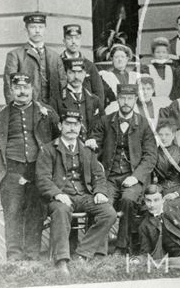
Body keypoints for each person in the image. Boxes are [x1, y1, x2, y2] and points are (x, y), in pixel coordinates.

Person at [0, 73, 60, 261]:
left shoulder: (46, 112)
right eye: (17, 88)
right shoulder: (0, 115)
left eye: (26, 88)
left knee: (35, 213)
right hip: (11, 170)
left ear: (32, 89)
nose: (22, 92)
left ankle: (32, 255)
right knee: (13, 213)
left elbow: (58, 136)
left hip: (37, 170)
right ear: (11, 90)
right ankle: (14, 257)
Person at [36, 110, 116, 274]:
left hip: (83, 196)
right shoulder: (48, 149)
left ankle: (82, 254)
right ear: (60, 126)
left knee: (109, 212)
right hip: (61, 197)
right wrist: (57, 194)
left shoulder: (87, 150)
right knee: (60, 209)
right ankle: (62, 260)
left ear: (80, 127)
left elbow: (98, 176)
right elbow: (42, 178)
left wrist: (100, 192)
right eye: (68, 124)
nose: (72, 128)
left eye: (76, 124)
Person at [86, 83, 157, 254]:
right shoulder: (105, 121)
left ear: (135, 100)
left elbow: (150, 156)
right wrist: (92, 145)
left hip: (132, 176)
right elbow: (94, 145)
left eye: (130, 98)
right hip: (109, 176)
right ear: (117, 99)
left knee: (128, 200)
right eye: (123, 98)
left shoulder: (144, 123)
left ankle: (121, 246)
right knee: (103, 203)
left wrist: (136, 176)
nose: (126, 102)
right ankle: (99, 250)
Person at [4, 13, 66, 105]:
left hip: (52, 110)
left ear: (45, 29)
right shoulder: (15, 55)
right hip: (26, 109)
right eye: (33, 27)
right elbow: (9, 87)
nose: (37, 31)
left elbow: (63, 84)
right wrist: (15, 111)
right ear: (26, 29)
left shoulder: (55, 56)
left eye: (40, 27)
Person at [51, 58, 104, 140]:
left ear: (85, 74)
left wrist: (93, 140)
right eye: (71, 72)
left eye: (80, 72)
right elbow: (53, 129)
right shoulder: (57, 99)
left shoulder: (94, 100)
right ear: (65, 74)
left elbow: (101, 127)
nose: (76, 77)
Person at [60, 23, 105, 104]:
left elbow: (99, 93)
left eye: (77, 38)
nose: (73, 42)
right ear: (64, 41)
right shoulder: (57, 64)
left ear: (81, 40)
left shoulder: (89, 66)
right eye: (69, 38)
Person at [151, 119, 180, 202]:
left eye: (167, 134)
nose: (163, 138)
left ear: (173, 135)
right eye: (160, 134)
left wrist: (176, 193)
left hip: (179, 190)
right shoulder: (153, 153)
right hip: (160, 188)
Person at [99, 44, 139, 113]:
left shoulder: (134, 76)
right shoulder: (106, 77)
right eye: (116, 57)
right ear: (112, 59)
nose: (120, 59)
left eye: (122, 57)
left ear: (127, 59)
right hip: (113, 111)